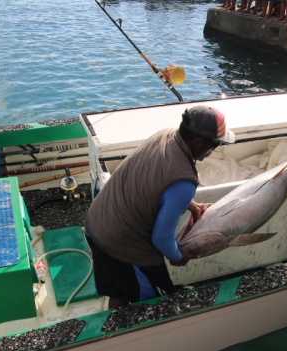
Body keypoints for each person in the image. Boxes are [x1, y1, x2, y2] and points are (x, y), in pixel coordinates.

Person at [84, 106, 235, 308]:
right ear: (198, 142)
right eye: (215, 144)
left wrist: (190, 205)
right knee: (157, 306)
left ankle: (115, 325)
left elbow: (151, 185)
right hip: (126, 248)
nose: (215, 149)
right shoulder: (184, 181)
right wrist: (179, 257)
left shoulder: (165, 135)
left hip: (96, 226)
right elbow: (161, 239)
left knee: (119, 292)